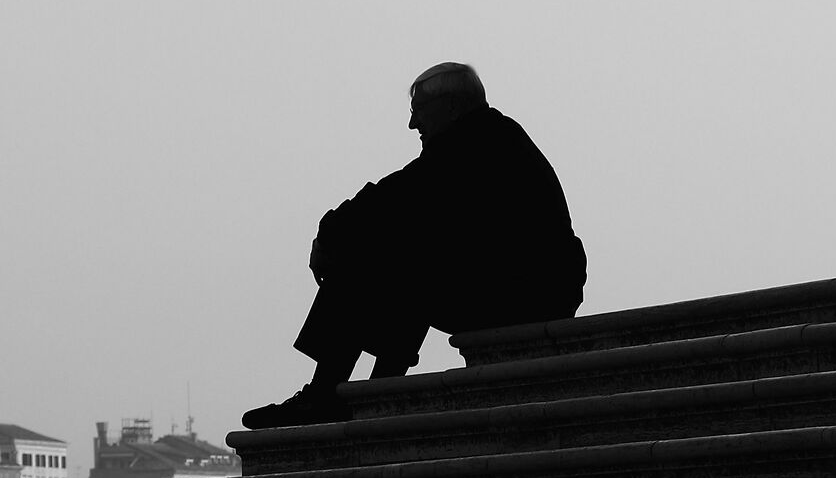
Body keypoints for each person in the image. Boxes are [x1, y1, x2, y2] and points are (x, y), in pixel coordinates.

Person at [245, 62, 584, 428]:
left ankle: (333, 393)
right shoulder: (484, 139)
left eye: (417, 112)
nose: (413, 124)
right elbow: (399, 202)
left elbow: (394, 199)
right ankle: (370, 390)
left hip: (527, 295)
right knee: (396, 246)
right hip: (523, 288)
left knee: (378, 252)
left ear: (451, 107)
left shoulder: (479, 144)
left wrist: (329, 234)